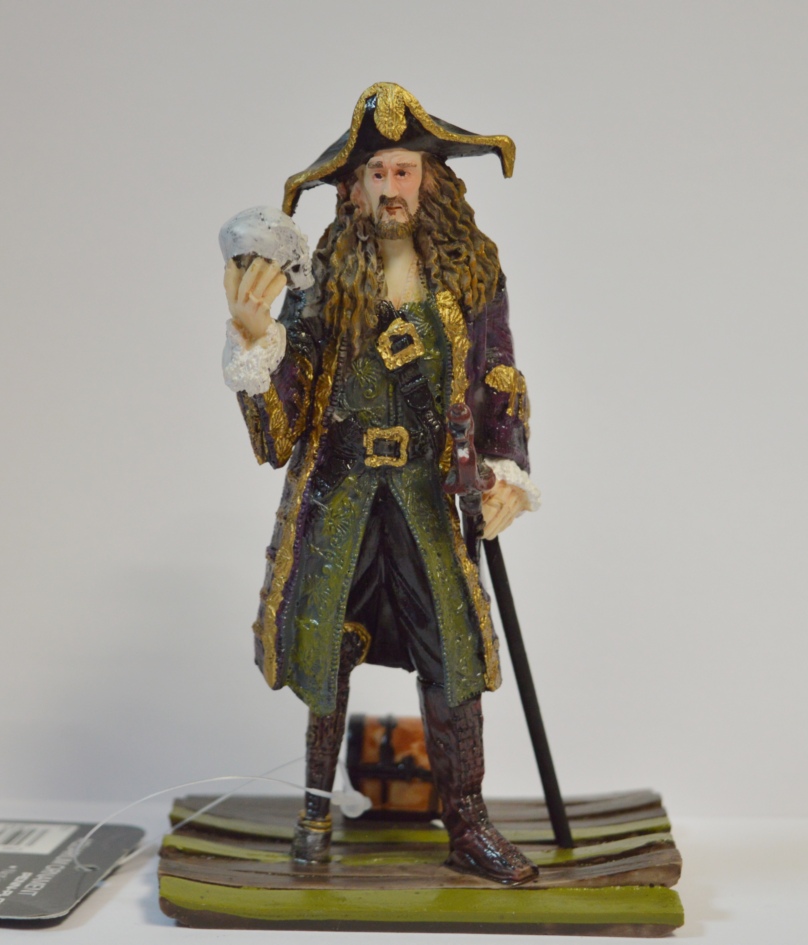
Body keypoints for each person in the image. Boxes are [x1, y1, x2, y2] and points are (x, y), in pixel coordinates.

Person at [222, 83, 540, 885]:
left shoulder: (471, 273)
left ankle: (466, 820)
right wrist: (258, 343)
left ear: (430, 179)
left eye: (404, 170)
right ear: (353, 187)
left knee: (453, 651)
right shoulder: (323, 279)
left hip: (429, 499)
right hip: (344, 498)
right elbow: (287, 419)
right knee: (325, 647)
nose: (391, 187)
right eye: (377, 173)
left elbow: (498, 376)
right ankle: (313, 813)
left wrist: (506, 472)